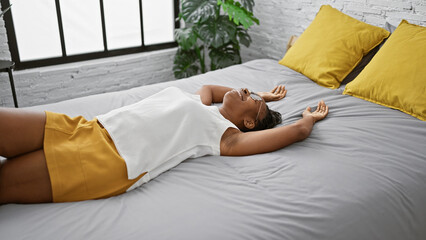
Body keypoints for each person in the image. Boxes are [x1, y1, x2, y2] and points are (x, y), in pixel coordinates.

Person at [0, 85, 329, 204]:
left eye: (250, 99)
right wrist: (263, 96)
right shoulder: (201, 104)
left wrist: (307, 119)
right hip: (90, 127)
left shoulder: (224, 136)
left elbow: (297, 132)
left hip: (109, 160)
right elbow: (212, 89)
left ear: (247, 123)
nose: (245, 90)